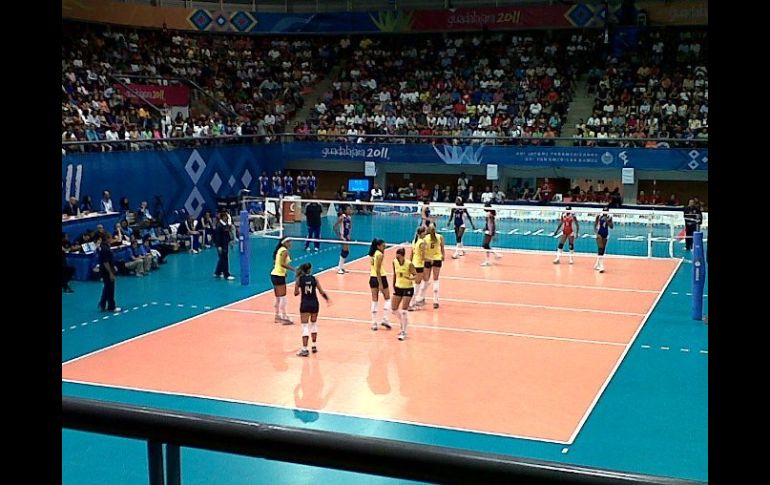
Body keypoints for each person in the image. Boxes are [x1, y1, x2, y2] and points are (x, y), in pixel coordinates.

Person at [294, 262, 330, 356]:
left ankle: (305, 349)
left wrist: (299, 287)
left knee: (305, 326)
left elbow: (295, 293)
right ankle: (314, 346)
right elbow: (321, 292)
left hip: (305, 304)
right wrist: (327, 299)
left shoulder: (299, 280)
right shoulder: (314, 279)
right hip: (314, 303)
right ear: (309, 270)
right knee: (313, 324)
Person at [392, 248, 416, 340]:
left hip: (408, 288)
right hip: (398, 287)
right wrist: (394, 284)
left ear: (402, 256)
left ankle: (404, 331)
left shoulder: (409, 264)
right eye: (396, 256)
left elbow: (415, 275)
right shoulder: (394, 262)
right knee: (394, 309)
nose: (397, 258)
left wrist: (410, 279)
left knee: (404, 310)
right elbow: (395, 274)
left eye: (399, 257)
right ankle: (403, 321)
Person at [368, 238, 392, 330]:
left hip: (372, 278)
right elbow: (378, 270)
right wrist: (381, 284)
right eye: (383, 245)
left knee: (374, 300)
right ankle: (385, 319)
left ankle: (374, 323)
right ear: (378, 246)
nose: (384, 247)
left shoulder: (373, 254)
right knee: (387, 299)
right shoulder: (379, 255)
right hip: (380, 277)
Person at [271, 237, 296, 324]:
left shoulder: (280, 250)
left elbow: (277, 263)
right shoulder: (285, 251)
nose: (290, 244)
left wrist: (284, 272)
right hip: (278, 276)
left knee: (278, 298)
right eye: (288, 242)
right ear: (284, 243)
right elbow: (282, 264)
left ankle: (277, 316)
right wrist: (294, 269)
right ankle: (284, 316)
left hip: (275, 275)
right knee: (283, 298)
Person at [422, 224, 445, 309]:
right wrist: (443, 255)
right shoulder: (440, 237)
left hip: (428, 259)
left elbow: (423, 252)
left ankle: (422, 298)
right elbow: (442, 247)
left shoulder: (425, 239)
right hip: (437, 259)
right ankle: (435, 301)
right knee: (436, 279)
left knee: (426, 280)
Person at [97, 234, 121, 312]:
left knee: (107, 288)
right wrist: (110, 273)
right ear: (107, 239)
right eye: (110, 238)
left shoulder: (103, 246)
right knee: (110, 288)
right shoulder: (105, 249)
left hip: (105, 270)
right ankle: (111, 306)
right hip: (106, 271)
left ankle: (102, 304)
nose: (112, 239)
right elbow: (106, 262)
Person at [408, 226, 427, 310]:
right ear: (421, 233)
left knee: (418, 283)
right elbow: (423, 257)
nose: (425, 233)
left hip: (414, 264)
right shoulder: (422, 243)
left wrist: (410, 264)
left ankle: (415, 301)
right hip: (419, 265)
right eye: (424, 232)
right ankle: (411, 303)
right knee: (417, 285)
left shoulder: (414, 241)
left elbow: (411, 254)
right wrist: (431, 260)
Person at [213, 210, 235, 280]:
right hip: (221, 245)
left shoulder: (225, 225)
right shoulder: (219, 226)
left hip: (225, 244)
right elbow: (217, 237)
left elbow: (227, 234)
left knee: (222, 259)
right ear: (223, 217)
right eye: (226, 216)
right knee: (224, 259)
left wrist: (230, 242)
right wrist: (219, 246)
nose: (227, 218)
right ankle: (226, 275)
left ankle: (217, 272)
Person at [333, 205, 353, 274]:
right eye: (348, 209)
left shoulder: (349, 218)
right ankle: (339, 268)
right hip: (343, 237)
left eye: (350, 209)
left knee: (346, 251)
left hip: (347, 236)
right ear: (345, 210)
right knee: (345, 251)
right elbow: (334, 227)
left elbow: (350, 227)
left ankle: (341, 267)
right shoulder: (342, 217)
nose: (350, 210)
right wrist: (339, 235)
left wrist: (349, 235)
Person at [594, 207, 614, 273]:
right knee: (600, 248)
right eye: (604, 211)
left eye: (606, 211)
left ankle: (597, 264)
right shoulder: (599, 216)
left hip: (605, 234)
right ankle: (601, 266)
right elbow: (595, 225)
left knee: (602, 250)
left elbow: (611, 227)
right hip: (599, 233)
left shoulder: (609, 218)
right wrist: (596, 233)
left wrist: (608, 221)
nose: (605, 212)